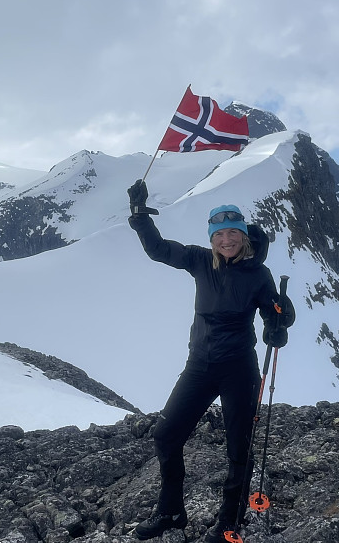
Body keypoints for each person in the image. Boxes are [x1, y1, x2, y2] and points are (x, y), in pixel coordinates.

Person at [126, 179, 295, 542]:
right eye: (220, 234)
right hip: (199, 367)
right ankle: (171, 511)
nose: (226, 240)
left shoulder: (259, 276)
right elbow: (158, 250)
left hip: (238, 369)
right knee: (167, 435)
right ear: (212, 238)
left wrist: (279, 324)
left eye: (233, 233)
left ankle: (229, 523)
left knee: (238, 449)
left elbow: (273, 317)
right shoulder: (200, 260)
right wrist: (139, 214)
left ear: (244, 236)